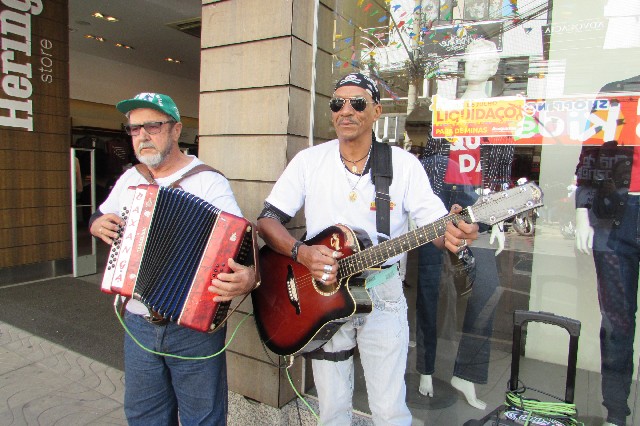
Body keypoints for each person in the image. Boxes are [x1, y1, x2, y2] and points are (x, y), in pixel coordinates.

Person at [256, 72, 479, 425]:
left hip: (383, 293)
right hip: (320, 293)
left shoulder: (404, 165)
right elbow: (266, 220)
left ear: (376, 112)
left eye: (357, 103)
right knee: (331, 411)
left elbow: (436, 227)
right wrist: (302, 253)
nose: (346, 110)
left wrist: (453, 234)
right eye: (337, 103)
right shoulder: (309, 161)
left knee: (390, 411)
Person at [88, 92, 257, 425]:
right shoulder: (131, 178)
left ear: (176, 130)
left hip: (191, 329)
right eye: (134, 129)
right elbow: (101, 214)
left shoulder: (208, 182)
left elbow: (242, 247)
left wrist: (248, 277)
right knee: (143, 416)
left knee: (202, 419)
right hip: (136, 321)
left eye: (153, 125)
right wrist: (96, 223)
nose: (143, 135)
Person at [416, 38, 514, 410]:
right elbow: (430, 164)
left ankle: (467, 373)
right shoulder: (447, 110)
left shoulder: (500, 113)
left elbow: (501, 169)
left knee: (485, 290)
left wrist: (500, 219)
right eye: (469, 59)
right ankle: (425, 368)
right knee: (429, 289)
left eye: (483, 59)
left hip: (478, 213)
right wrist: (427, 209)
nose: (474, 65)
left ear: (493, 67)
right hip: (437, 210)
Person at [575, 75, 640, 426]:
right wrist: (583, 210)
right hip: (616, 214)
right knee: (617, 320)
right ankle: (616, 412)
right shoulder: (617, 93)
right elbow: (591, 151)